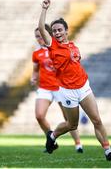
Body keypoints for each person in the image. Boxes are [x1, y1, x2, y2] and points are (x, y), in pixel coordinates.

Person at [38, 0, 111, 161]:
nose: (57, 33)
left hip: (83, 86)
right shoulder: (52, 45)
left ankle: (108, 152)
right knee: (72, 125)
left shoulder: (73, 45)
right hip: (68, 91)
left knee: (97, 120)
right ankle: (52, 135)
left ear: (66, 31)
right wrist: (44, 9)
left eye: (59, 30)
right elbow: (41, 28)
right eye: (54, 31)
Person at [31, 24, 84, 153]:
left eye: (40, 35)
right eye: (36, 37)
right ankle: (51, 140)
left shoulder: (56, 47)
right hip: (45, 87)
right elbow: (35, 70)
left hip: (60, 87)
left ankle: (78, 144)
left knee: (69, 119)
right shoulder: (37, 54)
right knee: (39, 115)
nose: (39, 38)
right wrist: (34, 77)